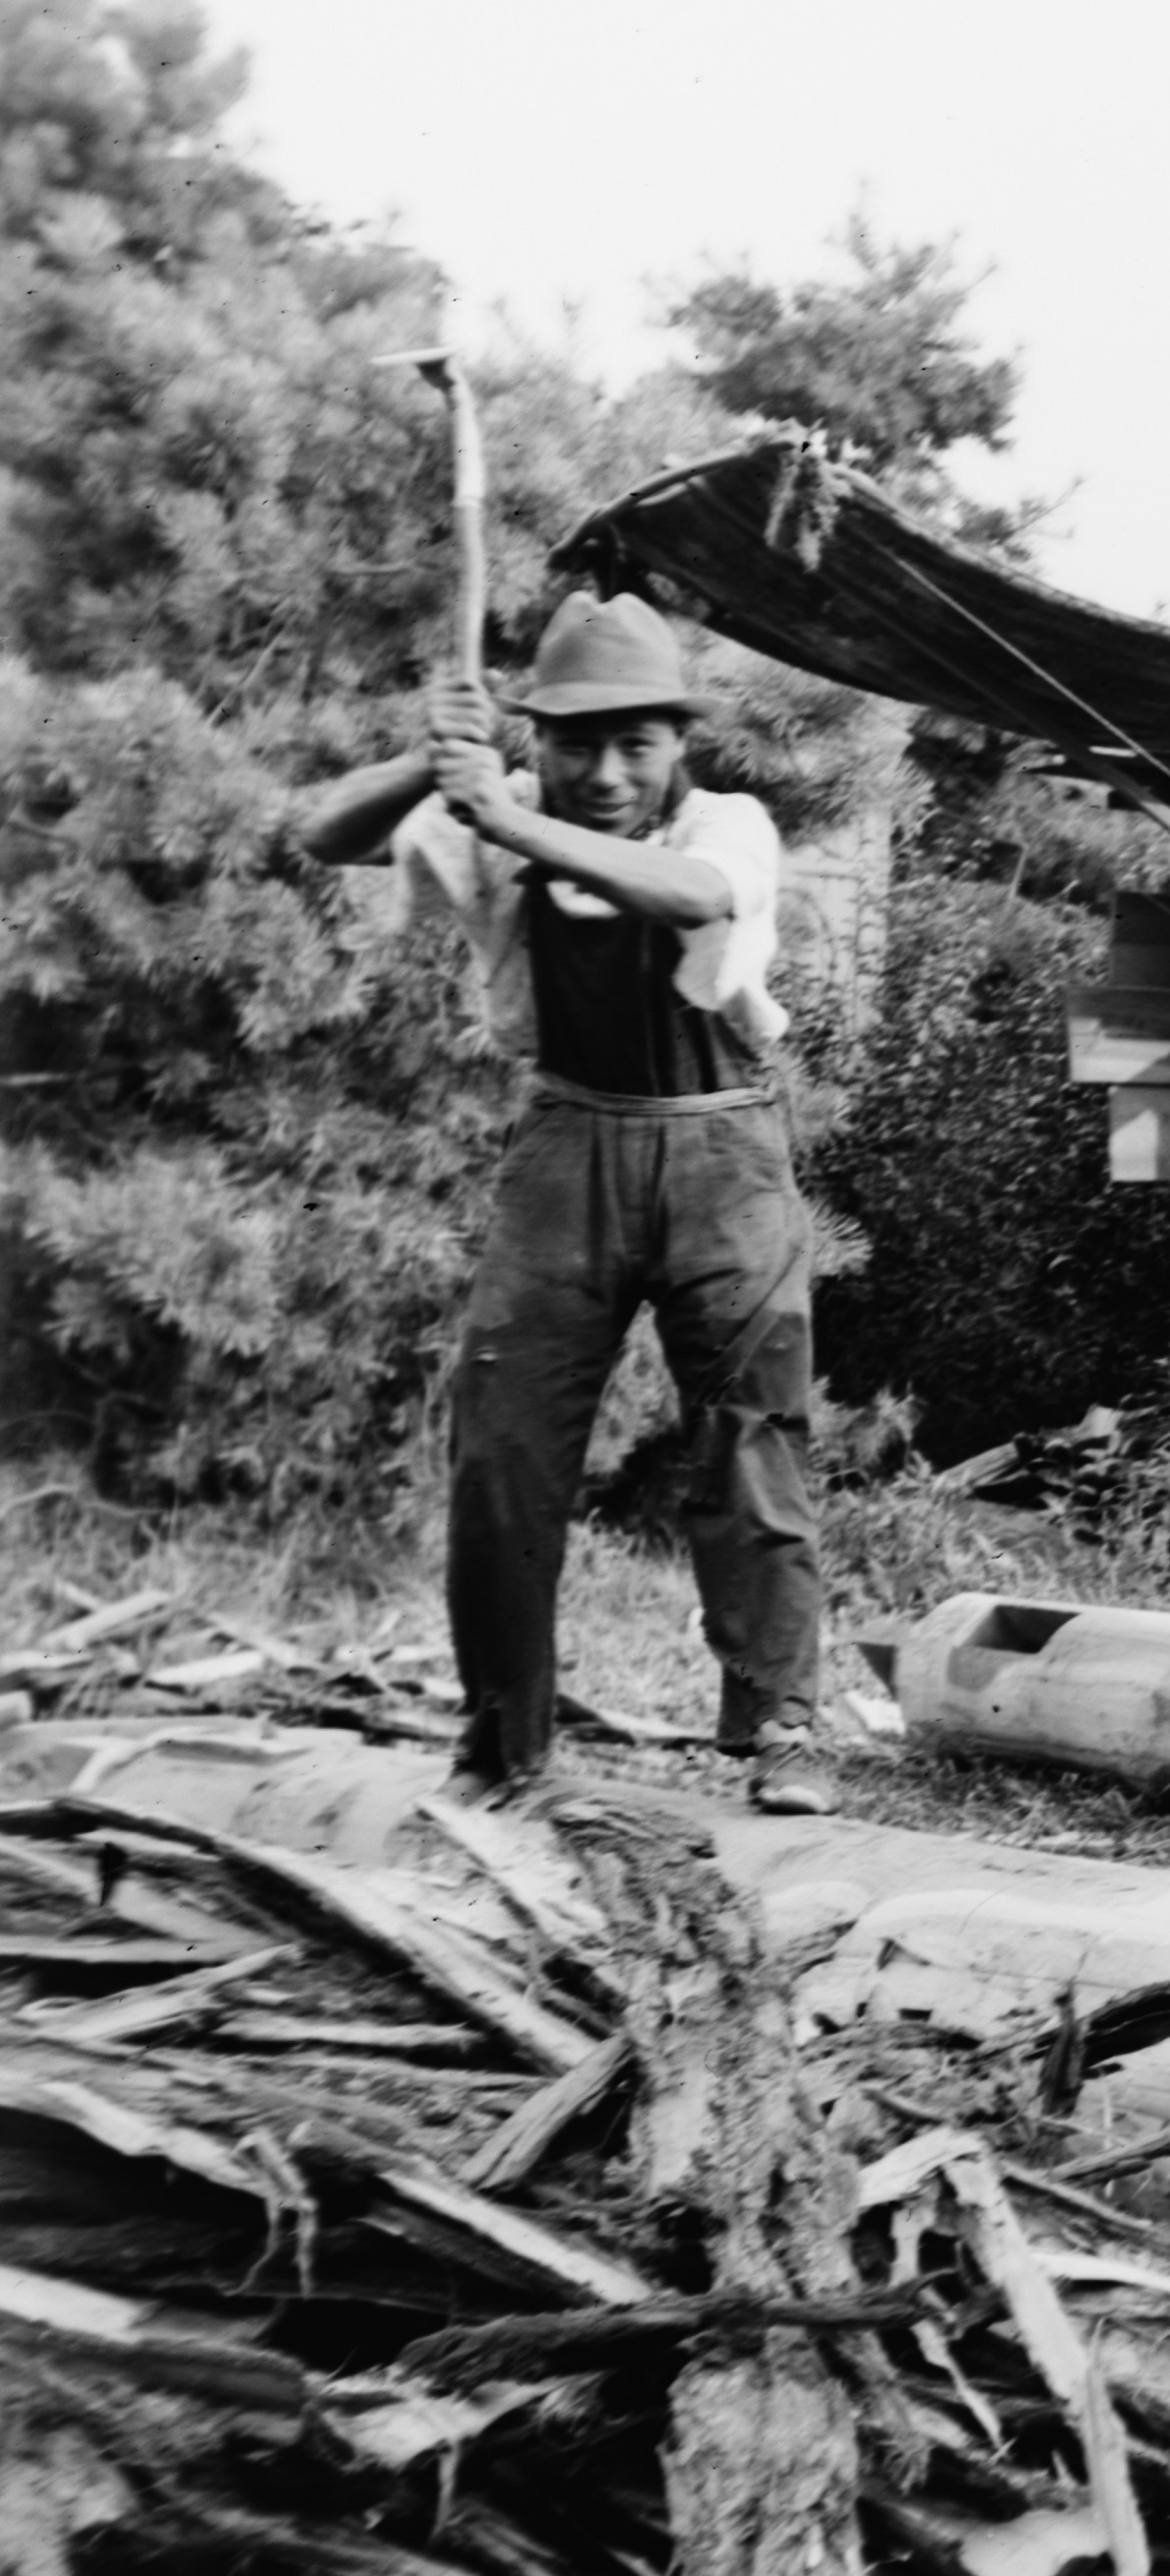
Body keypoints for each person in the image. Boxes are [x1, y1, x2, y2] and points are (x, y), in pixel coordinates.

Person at [296, 593, 831, 1812]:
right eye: (573, 744)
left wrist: (501, 812)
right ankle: (501, 1741)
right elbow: (327, 832)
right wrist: (432, 757)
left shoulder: (725, 825)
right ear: (536, 740)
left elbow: (694, 899)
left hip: (723, 1159)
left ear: (676, 746)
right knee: (502, 1450)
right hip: (566, 1150)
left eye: (633, 743)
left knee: (748, 1441)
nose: (601, 772)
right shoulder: (500, 816)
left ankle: (779, 1729)